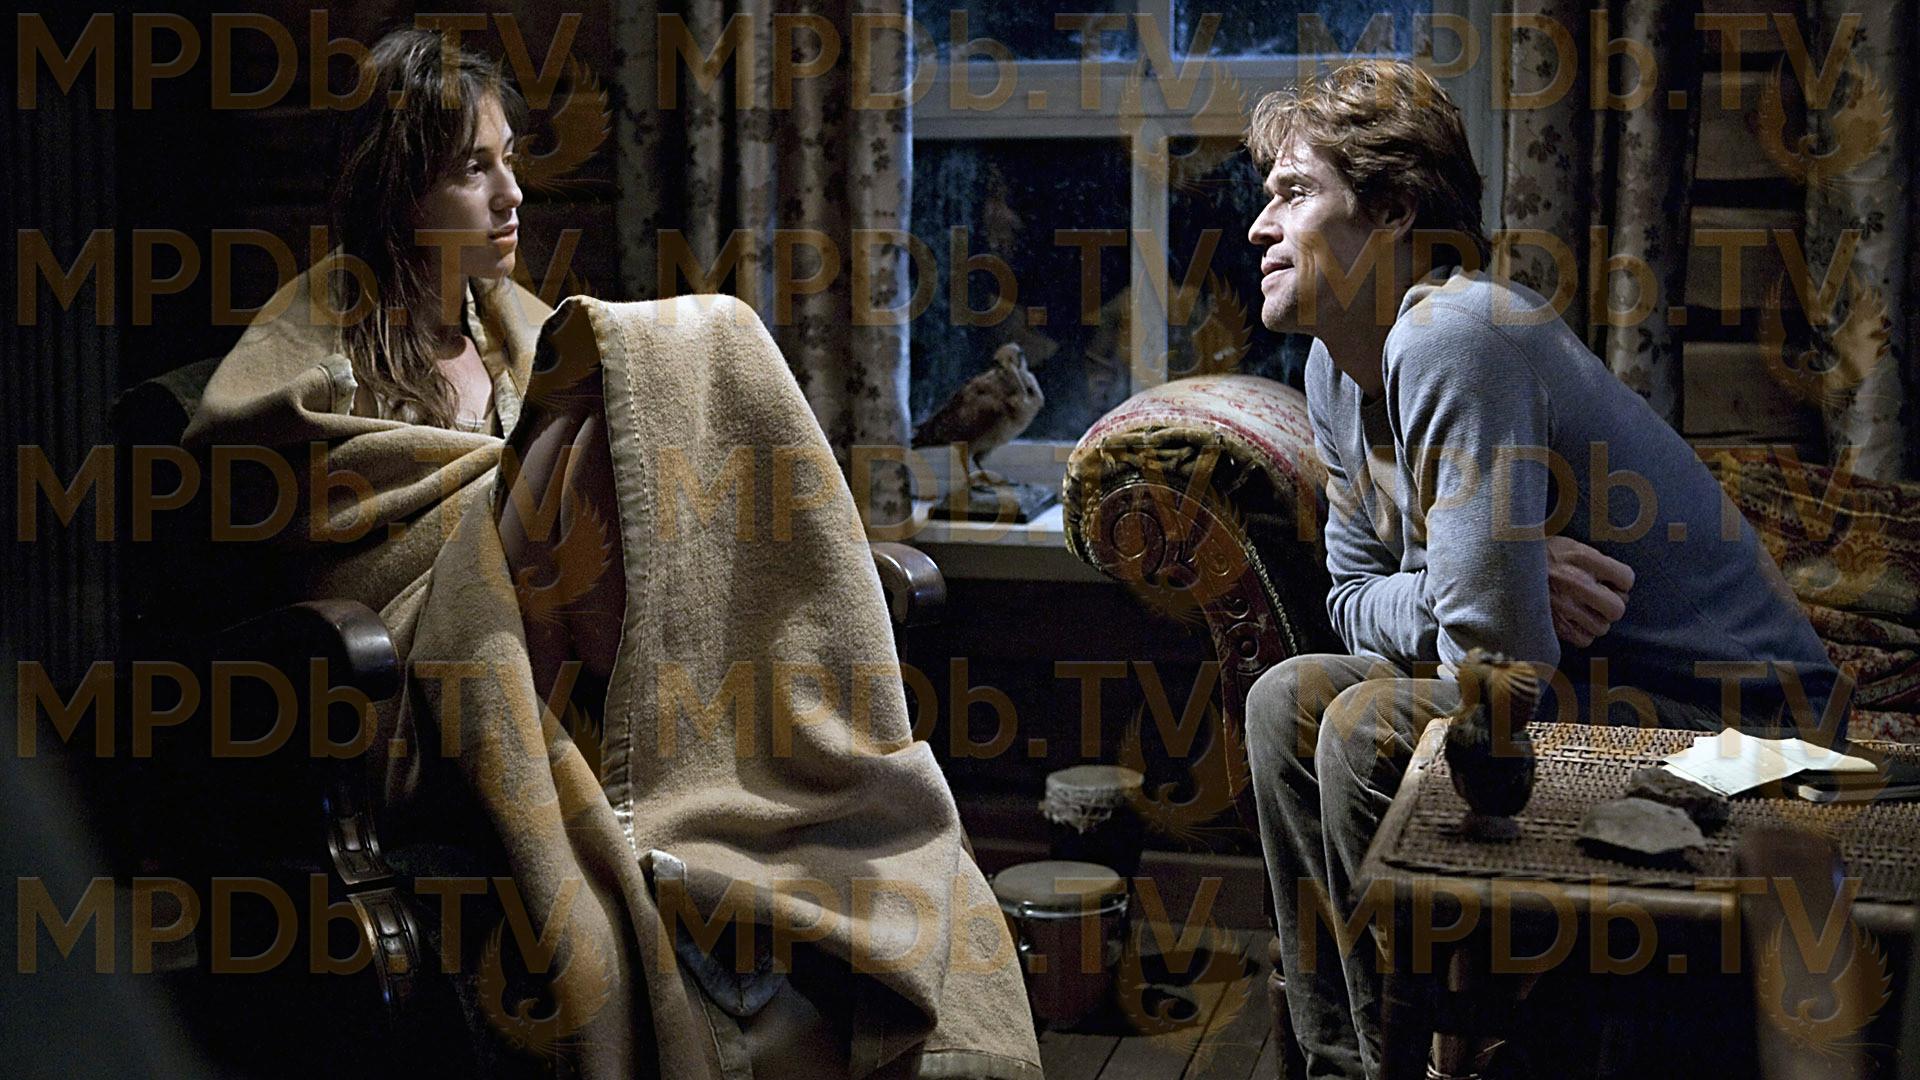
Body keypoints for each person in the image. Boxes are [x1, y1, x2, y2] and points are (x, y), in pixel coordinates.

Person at [181, 28, 1040, 1080]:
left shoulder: (513, 334)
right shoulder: (324, 347)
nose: (512, 196)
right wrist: (501, 508)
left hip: (583, 661)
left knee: (655, 374)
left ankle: (764, 845)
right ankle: (713, 868)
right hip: (437, 678)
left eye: (510, 161)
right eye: (473, 169)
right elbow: (304, 514)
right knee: (670, 351)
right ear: (399, 190)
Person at [1236, 59, 1846, 1078]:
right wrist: (1483, 572)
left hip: (1751, 727)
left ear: (1392, 210)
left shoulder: (1455, 331)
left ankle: (1442, 1055)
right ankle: (1354, 1062)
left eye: (1295, 193)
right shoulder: (1331, 371)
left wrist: (1489, 582)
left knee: (1362, 725)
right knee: (1284, 702)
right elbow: (1348, 601)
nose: (1260, 227)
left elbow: (1499, 658)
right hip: (1587, 682)